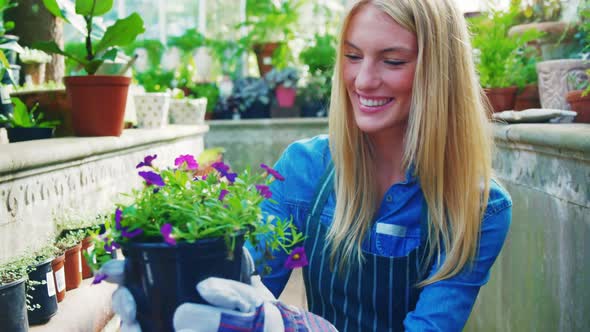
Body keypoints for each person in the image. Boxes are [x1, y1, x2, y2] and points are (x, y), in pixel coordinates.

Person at [102, 0, 512, 331]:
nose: (364, 80)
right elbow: (248, 276)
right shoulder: (307, 169)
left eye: (392, 61)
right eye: (353, 56)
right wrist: (171, 289)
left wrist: (299, 327)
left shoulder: (479, 207)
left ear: (438, 74)